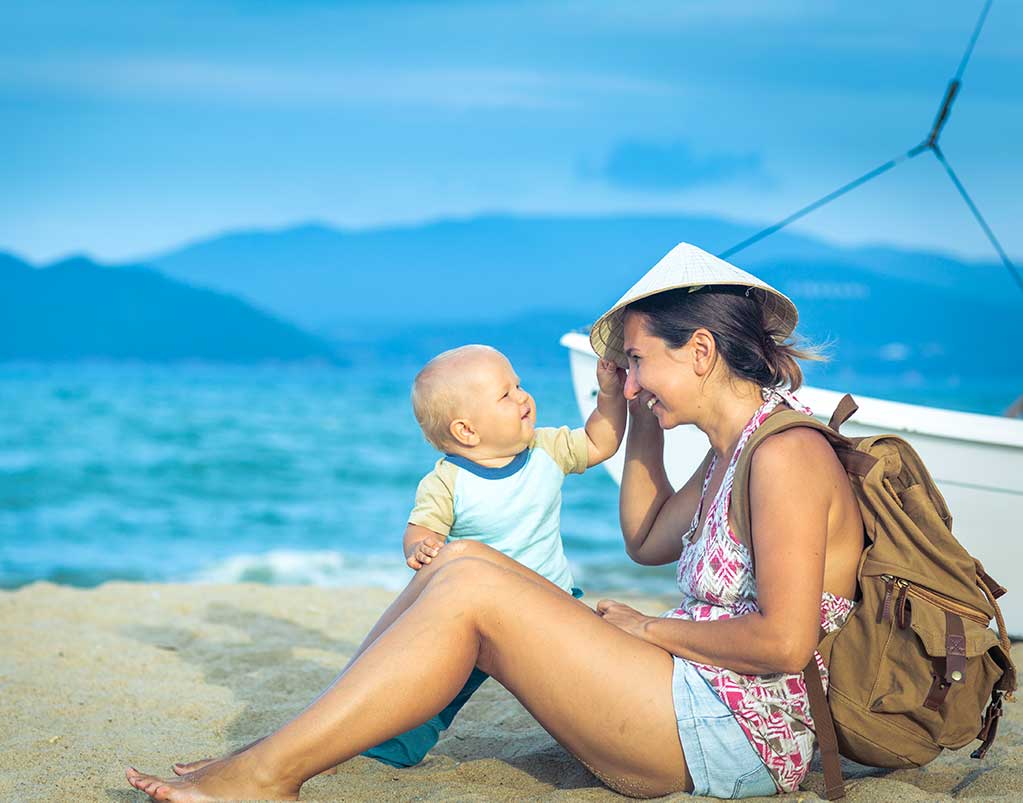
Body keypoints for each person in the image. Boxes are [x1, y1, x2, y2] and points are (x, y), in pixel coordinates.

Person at [126, 242, 865, 801]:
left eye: (637, 361)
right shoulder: (730, 453)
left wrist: (650, 630)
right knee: (460, 560)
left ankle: (265, 774)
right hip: (694, 696)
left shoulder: (785, 457)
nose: (628, 379)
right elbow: (644, 540)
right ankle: (282, 747)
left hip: (736, 731)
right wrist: (637, 415)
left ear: (699, 351)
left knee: (474, 589)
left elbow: (783, 640)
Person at [363, 343, 627, 768]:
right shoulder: (448, 481)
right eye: (506, 394)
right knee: (439, 686)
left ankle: (609, 739)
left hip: (554, 601)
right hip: (478, 618)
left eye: (519, 385)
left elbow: (601, 442)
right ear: (467, 431)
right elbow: (422, 526)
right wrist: (421, 545)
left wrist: (610, 396)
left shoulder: (546, 448)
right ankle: (391, 747)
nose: (523, 396)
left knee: (578, 683)